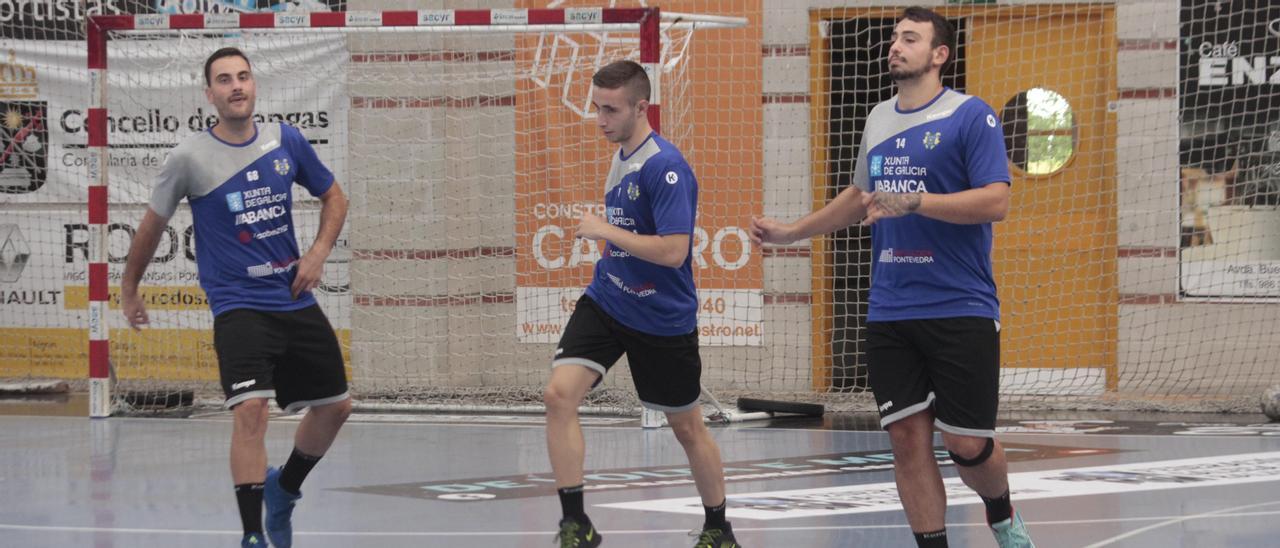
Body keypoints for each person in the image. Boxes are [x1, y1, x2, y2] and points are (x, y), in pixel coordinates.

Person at [750, 7, 1033, 548]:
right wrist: (791, 234)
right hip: (891, 307)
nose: (895, 46)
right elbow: (859, 199)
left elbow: (997, 200)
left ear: (939, 54)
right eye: (894, 37)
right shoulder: (878, 118)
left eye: (910, 38)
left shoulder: (971, 116)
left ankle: (1001, 514)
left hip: (960, 304)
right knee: (905, 438)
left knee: (967, 443)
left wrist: (917, 201)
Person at [120, 47, 352, 548]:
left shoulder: (285, 139)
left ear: (255, 85)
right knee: (252, 412)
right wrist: (129, 288)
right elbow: (152, 226)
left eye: (243, 76)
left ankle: (284, 489)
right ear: (210, 95)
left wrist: (317, 253)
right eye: (224, 80)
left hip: (292, 297)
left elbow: (334, 196)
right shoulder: (188, 158)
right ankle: (252, 536)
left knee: (336, 407)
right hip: (237, 306)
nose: (236, 86)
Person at [542, 60, 741, 548]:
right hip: (608, 299)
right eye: (596, 109)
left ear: (640, 107)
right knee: (558, 395)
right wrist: (611, 243)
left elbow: (674, 252)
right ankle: (576, 524)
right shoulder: (622, 154)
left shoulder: (666, 167)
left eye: (610, 110)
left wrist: (603, 230)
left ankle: (720, 528)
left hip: (661, 318)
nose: (600, 120)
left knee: (688, 428)